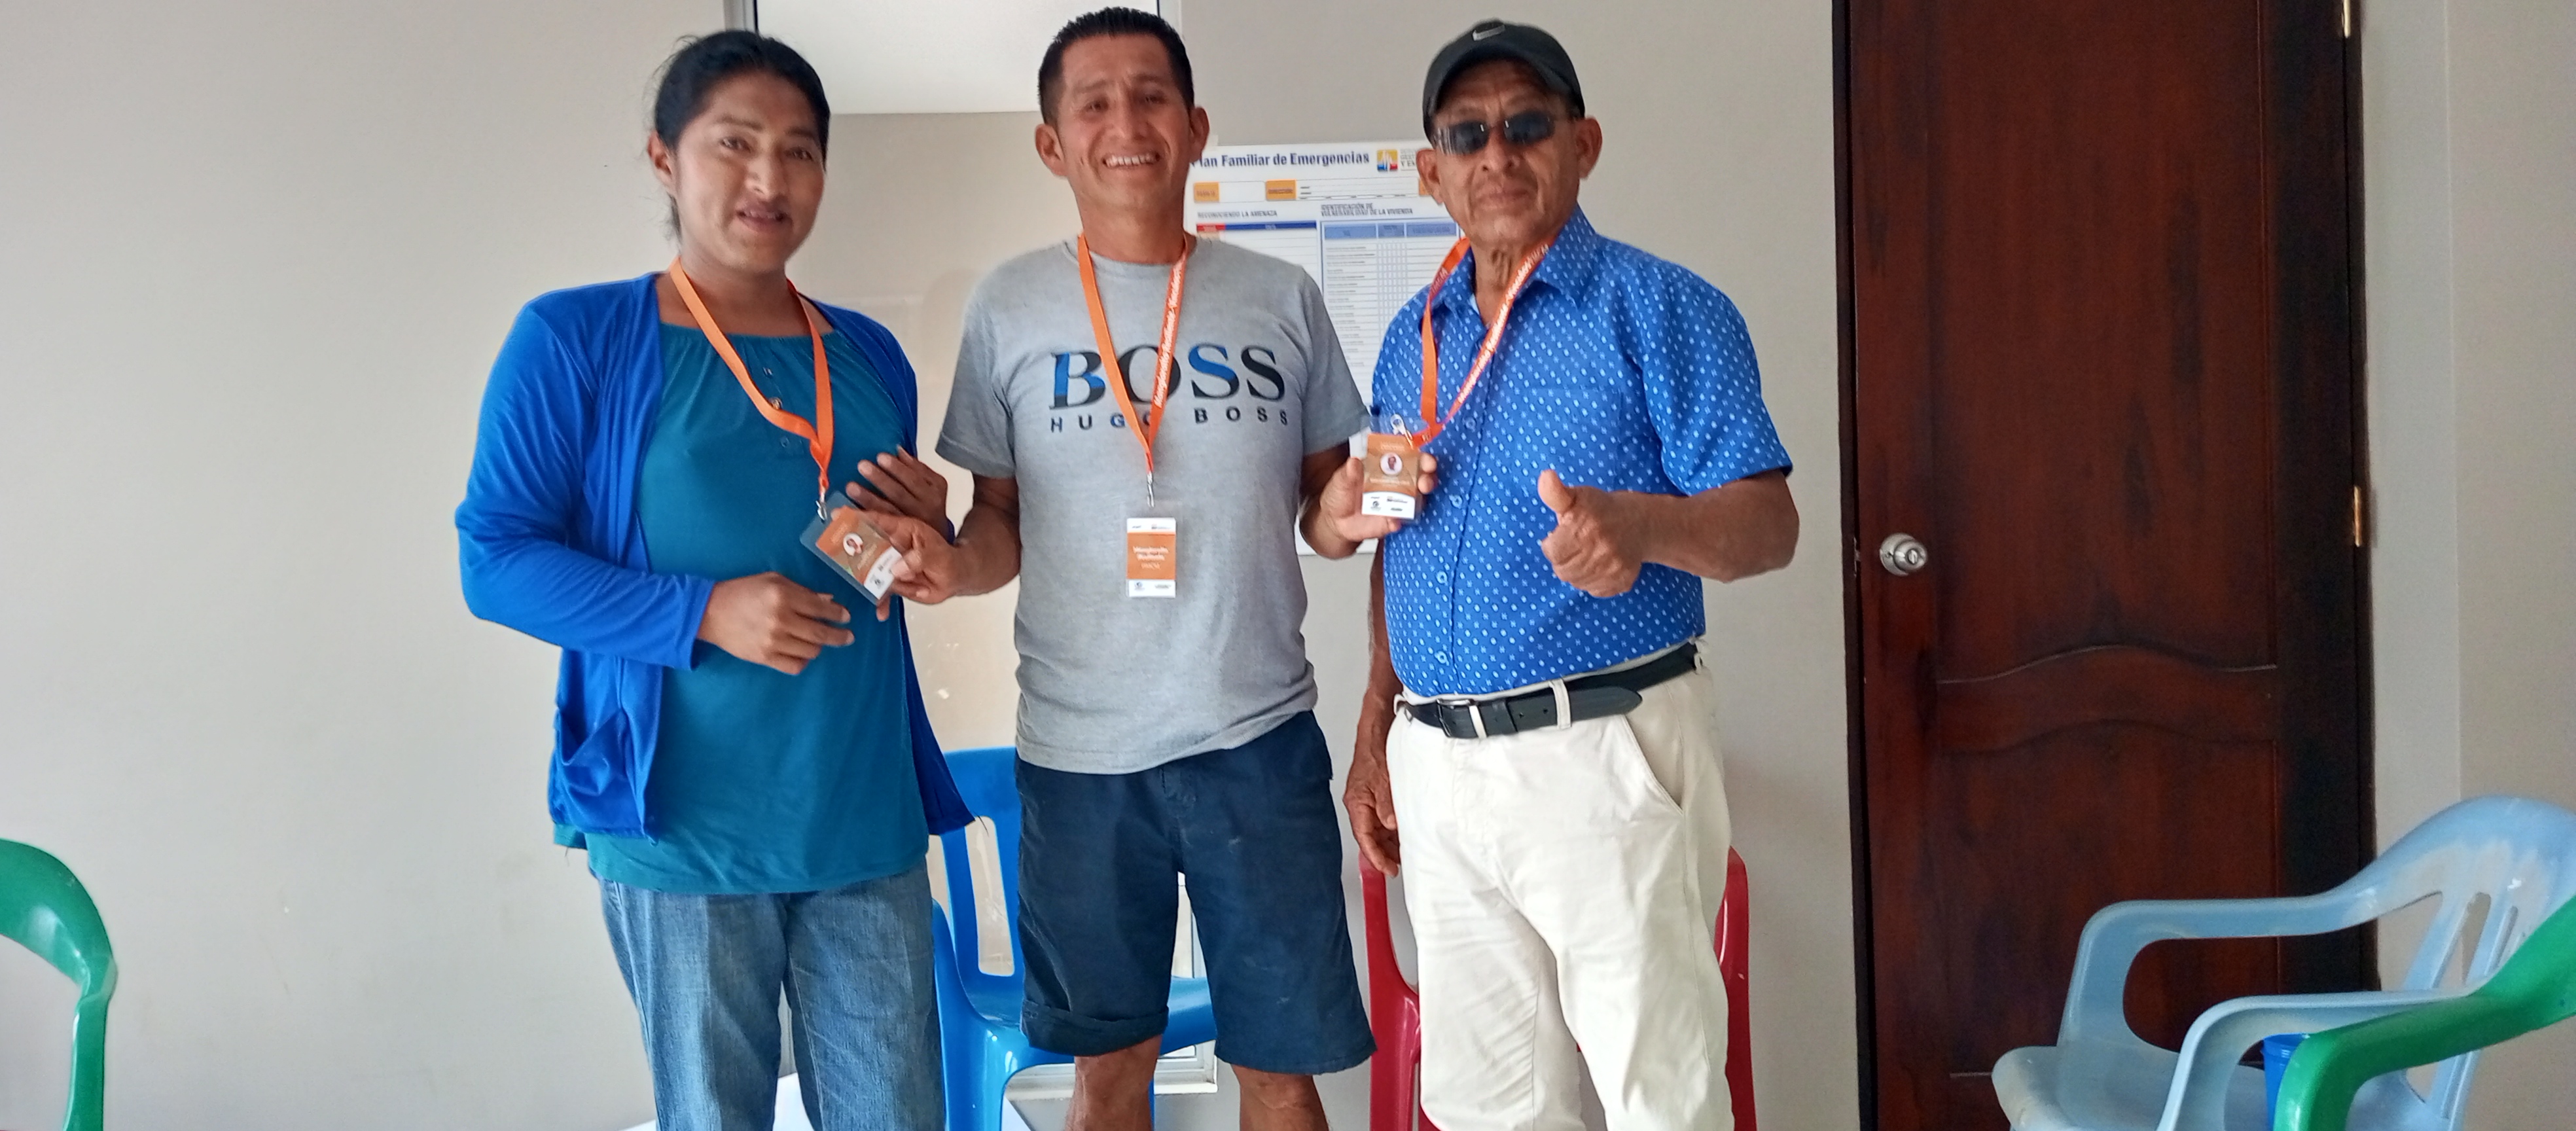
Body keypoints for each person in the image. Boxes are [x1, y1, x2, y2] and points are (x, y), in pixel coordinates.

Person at [868, 9, 1377, 1130]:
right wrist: (952, 567)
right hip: (1079, 759)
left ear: (1196, 127)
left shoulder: (1281, 296)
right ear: (1052, 144)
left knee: (1282, 1072)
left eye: (1151, 96)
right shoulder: (1009, 306)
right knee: (1108, 1073)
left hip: (1257, 741)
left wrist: (1345, 522)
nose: (1125, 122)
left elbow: (1326, 504)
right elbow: (998, 522)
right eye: (1092, 103)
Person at [454, 31, 969, 1131]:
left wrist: (931, 534)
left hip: (859, 812)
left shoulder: (869, 354)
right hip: (685, 825)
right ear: (665, 157)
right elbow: (495, 560)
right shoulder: (578, 339)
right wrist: (701, 611)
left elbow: (888, 549)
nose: (768, 178)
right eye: (734, 143)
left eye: (800, 151)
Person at [1323, 20, 1800, 1131]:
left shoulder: (1663, 308)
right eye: (1467, 134)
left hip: (1601, 746)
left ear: (1583, 144)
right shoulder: (1413, 335)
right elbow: (1397, 539)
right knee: (1488, 1105)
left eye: (1527, 125)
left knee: (1658, 1092)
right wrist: (1377, 722)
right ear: (1431, 171)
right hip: (1438, 766)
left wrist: (1643, 527)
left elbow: (1769, 526)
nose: (1497, 154)